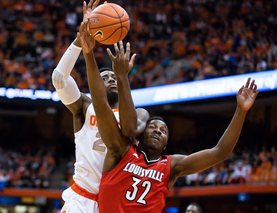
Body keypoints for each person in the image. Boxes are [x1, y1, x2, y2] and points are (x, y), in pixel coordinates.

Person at [78, 18, 259, 212]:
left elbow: (220, 153)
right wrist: (89, 56)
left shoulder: (171, 166)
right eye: (153, 127)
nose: (158, 131)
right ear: (140, 135)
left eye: (163, 130)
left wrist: (241, 111)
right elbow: (101, 104)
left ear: (166, 143)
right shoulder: (121, 151)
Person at [51, 1, 149, 212]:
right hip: (82, 198)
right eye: (104, 77)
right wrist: (79, 42)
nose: (111, 79)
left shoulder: (138, 114)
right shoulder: (84, 106)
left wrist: (123, 77)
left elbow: (132, 129)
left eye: (114, 76)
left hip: (115, 201)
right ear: (95, 82)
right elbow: (59, 79)